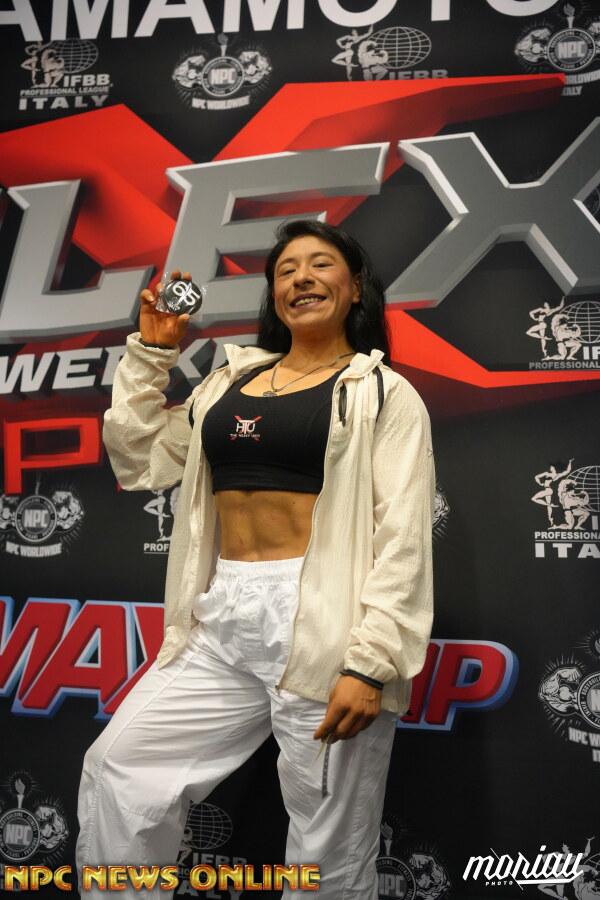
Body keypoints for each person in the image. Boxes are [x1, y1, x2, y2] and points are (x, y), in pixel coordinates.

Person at [76, 219, 435, 898]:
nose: (301, 278)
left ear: (355, 288)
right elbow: (140, 456)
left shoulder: (382, 393)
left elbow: (403, 539)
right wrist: (153, 354)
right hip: (222, 615)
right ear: (274, 295)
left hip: (325, 626)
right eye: (286, 270)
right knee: (121, 768)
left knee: (328, 844)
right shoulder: (228, 384)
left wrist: (371, 662)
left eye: (320, 264)